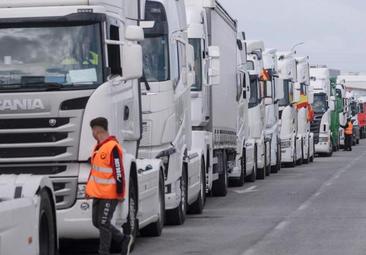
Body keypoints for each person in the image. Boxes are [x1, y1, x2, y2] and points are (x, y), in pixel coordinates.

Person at [85, 117, 132, 255]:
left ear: (97, 129)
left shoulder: (113, 147)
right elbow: (94, 170)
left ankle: (103, 252)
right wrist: (89, 189)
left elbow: (119, 171)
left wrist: (120, 193)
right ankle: (123, 239)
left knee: (104, 223)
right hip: (98, 193)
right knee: (96, 222)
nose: (92, 134)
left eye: (92, 130)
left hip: (110, 194)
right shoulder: (97, 147)